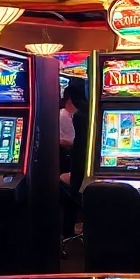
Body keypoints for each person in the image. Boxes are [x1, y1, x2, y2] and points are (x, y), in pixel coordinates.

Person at [59, 80, 89, 237]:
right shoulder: (90, 112)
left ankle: (67, 232)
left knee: (68, 191)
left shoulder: (78, 116)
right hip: (89, 166)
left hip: (80, 167)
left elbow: (78, 146)